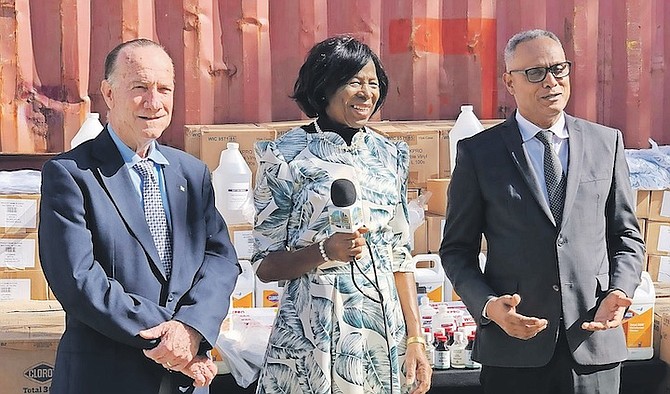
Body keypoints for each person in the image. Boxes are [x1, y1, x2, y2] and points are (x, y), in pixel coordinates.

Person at [439, 29, 645, 393]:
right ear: (509, 82)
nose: (551, 81)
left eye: (559, 69)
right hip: (514, 349)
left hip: (592, 344)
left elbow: (626, 235)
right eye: (535, 73)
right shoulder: (479, 154)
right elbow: (457, 251)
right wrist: (488, 307)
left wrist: (620, 288)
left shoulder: (606, 142)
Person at [38, 38, 240, 394]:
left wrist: (191, 328)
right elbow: (78, 280)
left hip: (183, 381)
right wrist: (173, 337)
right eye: (140, 88)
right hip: (104, 378)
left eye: (164, 89)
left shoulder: (191, 173)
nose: (154, 102)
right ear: (109, 93)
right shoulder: (71, 174)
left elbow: (221, 259)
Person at [252, 35, 432, 394]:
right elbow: (265, 265)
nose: (367, 93)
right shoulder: (284, 155)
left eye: (373, 83)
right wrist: (323, 252)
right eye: (354, 82)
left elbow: (400, 255)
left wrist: (415, 339)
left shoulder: (390, 155)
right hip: (310, 338)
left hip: (381, 336)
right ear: (324, 87)